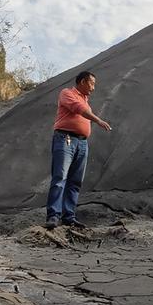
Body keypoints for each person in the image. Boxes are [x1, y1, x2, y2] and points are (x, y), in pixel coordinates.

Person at [45, 71, 111, 229]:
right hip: (65, 139)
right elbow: (78, 109)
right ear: (82, 81)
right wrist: (98, 120)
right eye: (91, 83)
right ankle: (53, 215)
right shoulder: (67, 93)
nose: (93, 88)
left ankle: (69, 216)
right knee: (60, 177)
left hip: (82, 143)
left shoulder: (86, 101)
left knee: (75, 181)